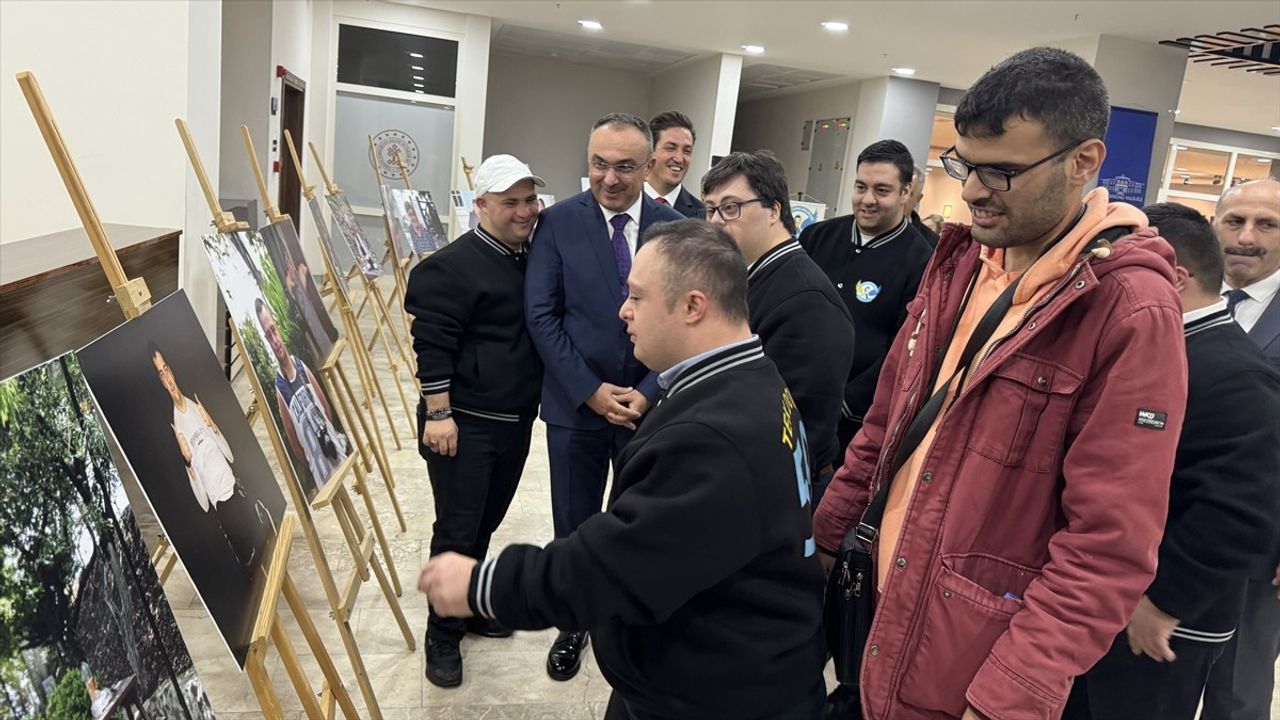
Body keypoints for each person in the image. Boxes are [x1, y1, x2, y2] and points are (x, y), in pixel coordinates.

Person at [814, 47, 1189, 720]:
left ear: (1084, 161)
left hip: (973, 666)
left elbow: (1108, 546)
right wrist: (820, 547)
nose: (972, 189)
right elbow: (884, 427)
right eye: (963, 164)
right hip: (879, 618)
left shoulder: (1129, 309)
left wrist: (1010, 695)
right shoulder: (959, 262)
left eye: (1002, 171)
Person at [420, 220, 826, 719]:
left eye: (636, 297)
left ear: (693, 306)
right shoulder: (753, 376)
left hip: (713, 691)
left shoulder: (714, 436)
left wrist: (484, 585)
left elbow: (610, 566)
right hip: (697, 664)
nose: (623, 312)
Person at [1064, 203, 1280, 720]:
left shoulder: (1234, 373)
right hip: (1116, 599)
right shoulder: (1169, 350)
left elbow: (1239, 513)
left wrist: (1164, 604)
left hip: (1164, 618)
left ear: (1174, 279)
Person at [524, 112, 683, 680]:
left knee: (637, 517)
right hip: (575, 406)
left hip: (649, 407)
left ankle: (622, 614)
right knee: (574, 519)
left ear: (649, 166)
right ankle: (574, 619)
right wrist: (589, 391)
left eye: (623, 166)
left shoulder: (674, 226)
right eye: (598, 164)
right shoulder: (558, 222)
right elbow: (542, 315)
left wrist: (646, 389)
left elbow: (687, 319)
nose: (609, 178)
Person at [403, 154, 546, 688]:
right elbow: (432, 345)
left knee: (484, 523)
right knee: (458, 529)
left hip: (514, 420)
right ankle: (442, 633)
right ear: (481, 204)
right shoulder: (450, 267)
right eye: (510, 202)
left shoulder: (529, 256)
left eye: (530, 200)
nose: (524, 211)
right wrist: (439, 415)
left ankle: (464, 604)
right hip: (464, 425)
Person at [702, 151, 855, 507]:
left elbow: (795, 426)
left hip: (773, 490)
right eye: (710, 209)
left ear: (774, 209)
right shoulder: (750, 276)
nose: (716, 222)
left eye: (731, 208)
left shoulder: (806, 299)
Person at [798, 140, 934, 454]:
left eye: (882, 190)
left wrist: (846, 403)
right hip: (792, 395)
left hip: (852, 420)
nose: (867, 200)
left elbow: (904, 347)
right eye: (861, 187)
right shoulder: (815, 237)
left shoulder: (922, 261)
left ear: (906, 192)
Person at [1202, 177, 1280, 720]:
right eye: (1234, 221)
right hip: (1164, 528)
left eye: (1267, 224)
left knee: (1236, 690)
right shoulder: (1177, 296)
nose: (1246, 237)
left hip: (1260, 541)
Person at [154, 344, 276, 569]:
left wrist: (213, 426)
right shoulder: (175, 428)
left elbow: (228, 455)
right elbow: (204, 504)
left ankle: (255, 519)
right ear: (158, 381)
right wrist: (188, 461)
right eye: (160, 374)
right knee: (253, 562)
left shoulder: (196, 402)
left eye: (166, 368)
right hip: (223, 508)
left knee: (270, 545)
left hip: (238, 492)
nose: (167, 377)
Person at [255, 298, 350, 492]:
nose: (275, 341)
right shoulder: (280, 388)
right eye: (268, 336)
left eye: (274, 331)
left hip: (337, 454)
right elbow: (296, 446)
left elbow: (326, 408)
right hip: (320, 473)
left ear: (278, 328)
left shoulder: (300, 366)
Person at [644, 110, 705, 218]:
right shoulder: (624, 201)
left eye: (687, 151)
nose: (679, 159)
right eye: (671, 148)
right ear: (650, 151)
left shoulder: (702, 216)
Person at [905, 166, 940, 247]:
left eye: (909, 193)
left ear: (918, 199)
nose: (901, 198)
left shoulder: (931, 243)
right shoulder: (872, 227)